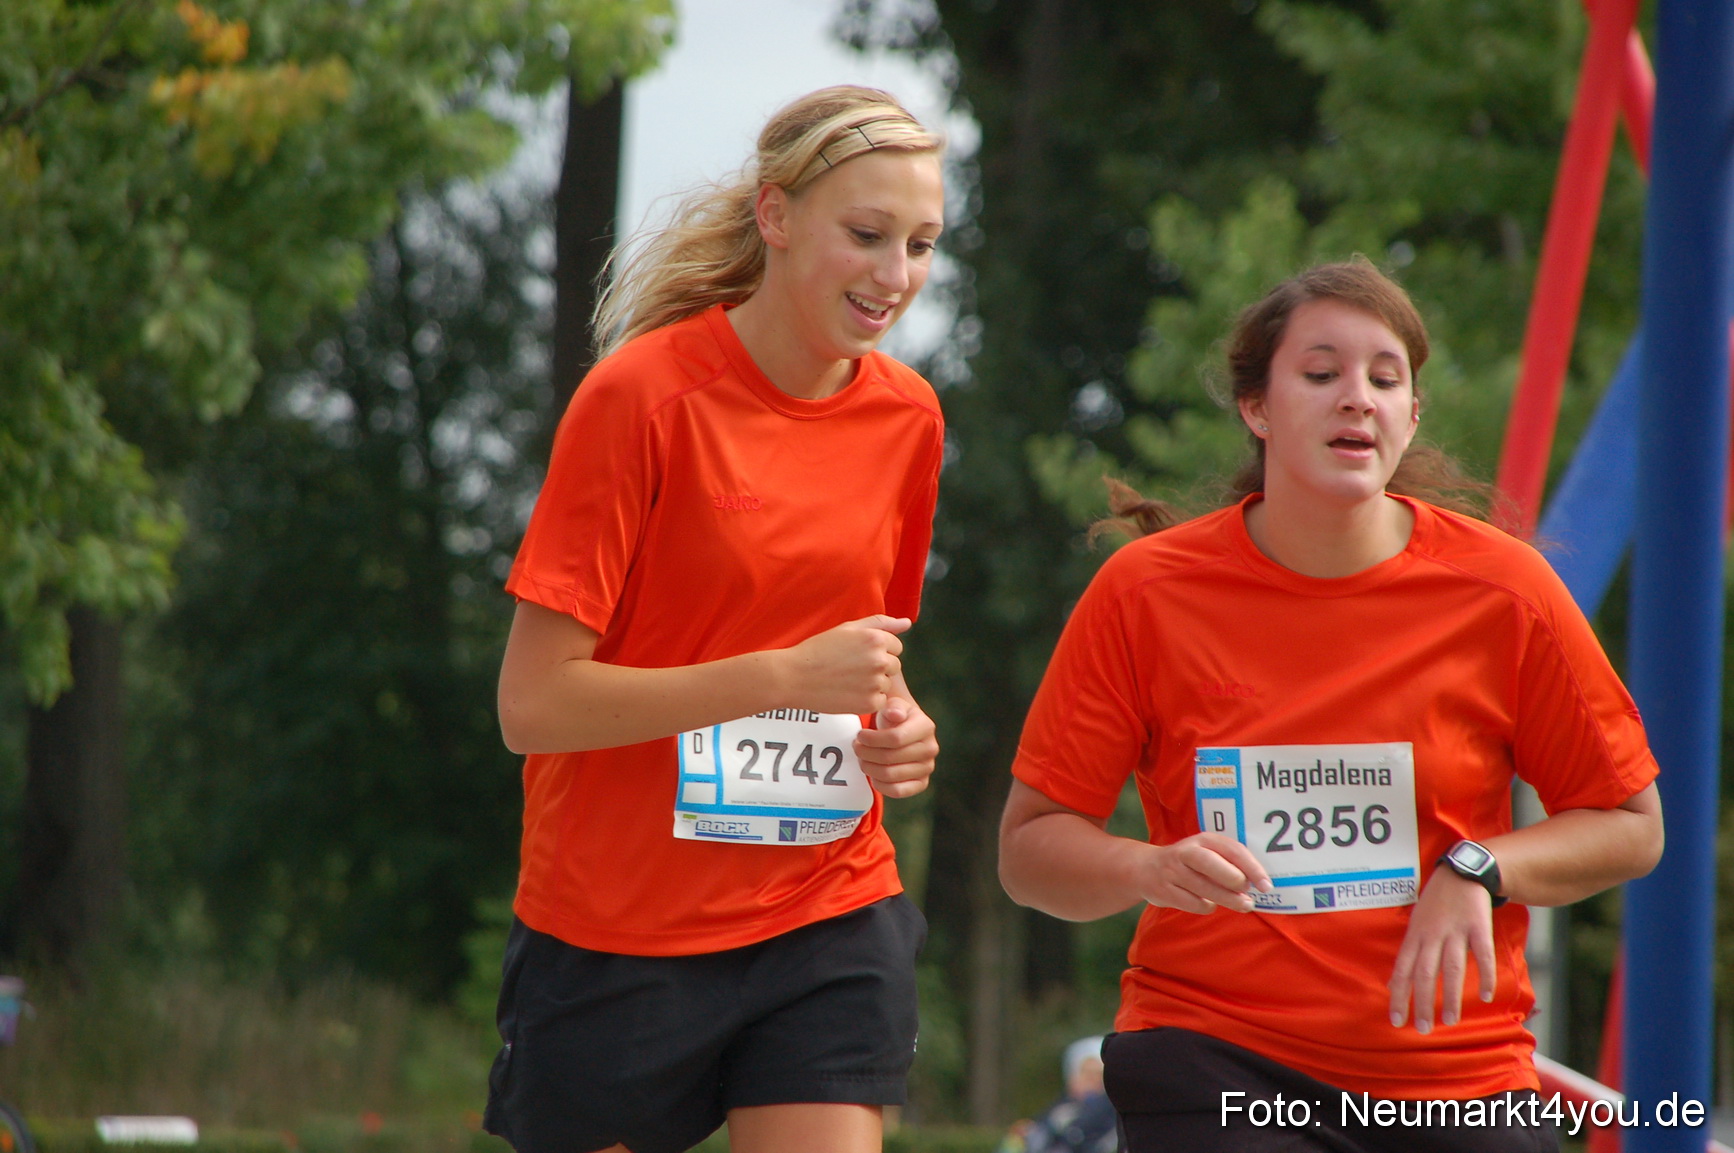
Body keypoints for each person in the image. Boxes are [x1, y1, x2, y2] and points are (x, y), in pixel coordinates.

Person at [998, 259, 1664, 1153]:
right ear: (1256, 407)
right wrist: (1145, 867)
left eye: (1385, 379)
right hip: (1216, 1056)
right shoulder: (1143, 592)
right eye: (1321, 373)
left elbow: (1631, 824)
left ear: (1411, 414)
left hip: (1453, 1073)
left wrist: (1477, 866)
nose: (1357, 397)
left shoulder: (1507, 590)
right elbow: (1029, 850)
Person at [484, 86, 947, 1153]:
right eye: (867, 234)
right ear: (775, 215)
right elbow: (532, 704)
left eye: (921, 244)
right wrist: (779, 678)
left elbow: (868, 653)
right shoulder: (639, 399)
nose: (895, 274)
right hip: (616, 926)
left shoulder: (910, 418)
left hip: (826, 903)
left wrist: (903, 727)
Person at [999, 1035, 1123, 1153]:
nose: (1093, 1080)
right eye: (1087, 1073)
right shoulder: (1065, 1105)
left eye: (1098, 1074)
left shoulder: (1112, 1111)